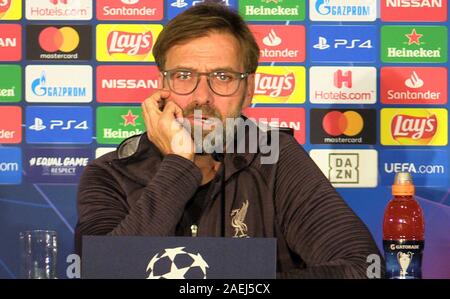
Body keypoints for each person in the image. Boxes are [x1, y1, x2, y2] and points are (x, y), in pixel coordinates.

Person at [75, 1, 384, 278]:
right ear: (162, 84)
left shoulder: (274, 157)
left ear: (248, 90)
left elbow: (363, 266)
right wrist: (179, 163)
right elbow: (100, 272)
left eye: (222, 77)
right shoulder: (111, 174)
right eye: (184, 75)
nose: (202, 96)